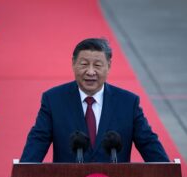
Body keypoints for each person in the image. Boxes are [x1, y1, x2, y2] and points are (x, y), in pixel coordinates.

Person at [20, 38, 169, 163]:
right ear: (73, 63)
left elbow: (148, 142)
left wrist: (170, 174)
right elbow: (38, 140)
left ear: (109, 66)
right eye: (84, 64)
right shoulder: (53, 99)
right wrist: (21, 174)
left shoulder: (128, 102)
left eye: (97, 65)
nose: (90, 72)